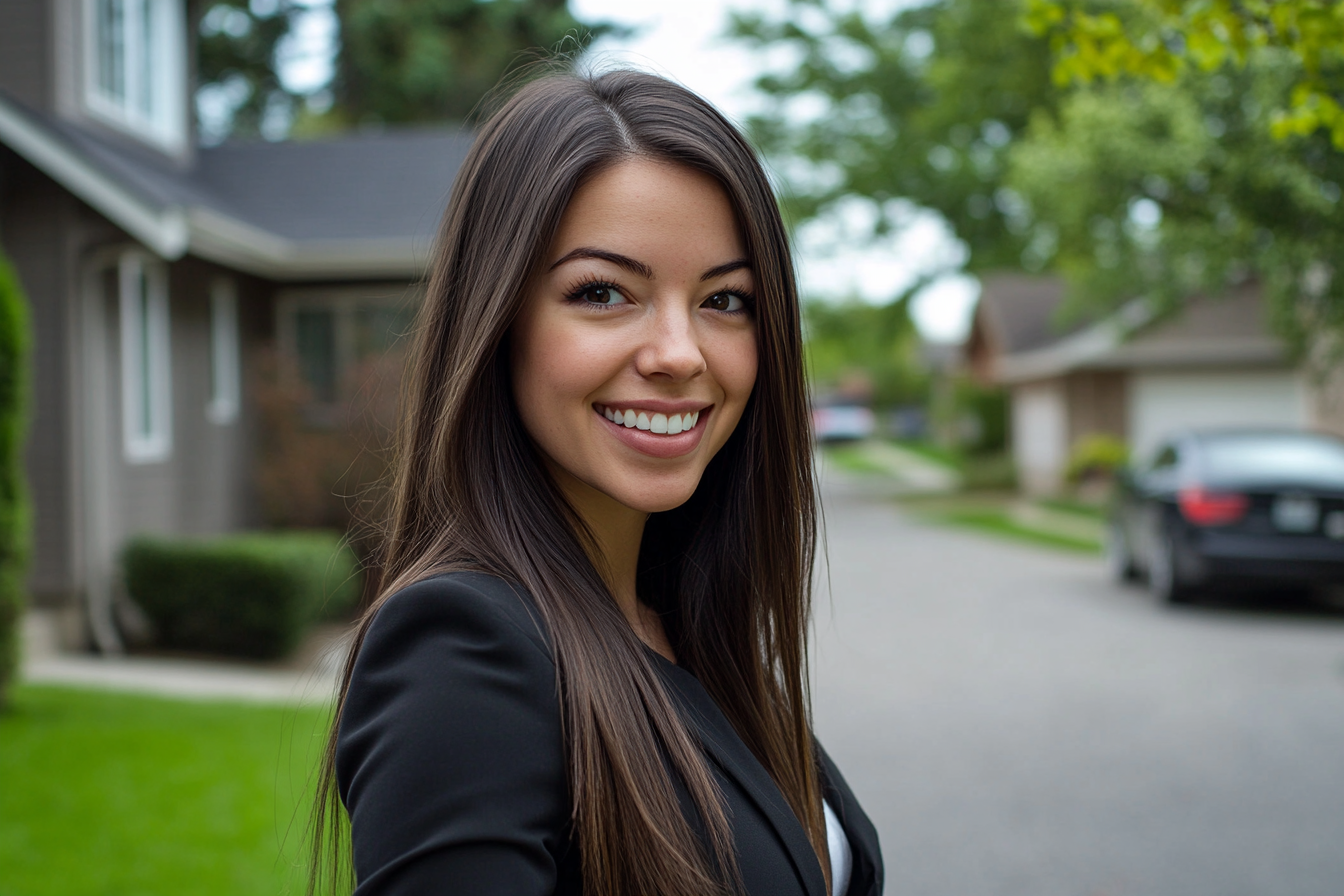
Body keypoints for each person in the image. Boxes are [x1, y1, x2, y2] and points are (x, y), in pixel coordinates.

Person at [309, 68, 883, 896]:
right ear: (498, 320)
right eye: (605, 293)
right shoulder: (464, 650)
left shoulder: (686, 624)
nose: (680, 353)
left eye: (725, 300)